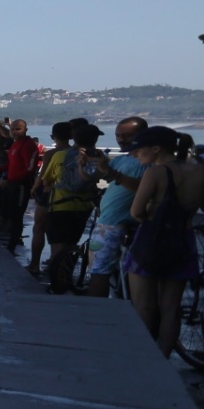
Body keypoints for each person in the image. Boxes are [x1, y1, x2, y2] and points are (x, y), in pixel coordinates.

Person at [125, 126, 204, 356]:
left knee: (144, 306)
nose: (136, 154)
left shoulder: (155, 173)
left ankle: (143, 357)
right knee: (171, 308)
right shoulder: (199, 172)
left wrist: (153, 211)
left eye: (139, 150)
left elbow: (136, 212)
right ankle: (162, 358)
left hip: (150, 242)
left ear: (156, 149)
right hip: (184, 242)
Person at [38, 119, 106, 294]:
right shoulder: (98, 158)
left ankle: (56, 284)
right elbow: (106, 176)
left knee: (57, 249)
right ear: (95, 140)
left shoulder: (60, 156)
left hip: (60, 206)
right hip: (83, 208)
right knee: (71, 246)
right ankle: (66, 280)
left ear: (74, 138)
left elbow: (47, 180)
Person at [85, 116, 148, 297]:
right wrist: (88, 165)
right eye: (118, 135)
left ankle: (95, 313)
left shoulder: (147, 163)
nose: (121, 140)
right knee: (106, 270)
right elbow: (98, 176)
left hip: (113, 223)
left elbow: (141, 187)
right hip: (109, 220)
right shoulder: (123, 159)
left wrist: (110, 171)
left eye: (128, 135)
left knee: (99, 270)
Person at [27, 120, 71, 277]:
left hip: (49, 193)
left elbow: (43, 175)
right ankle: (56, 265)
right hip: (69, 198)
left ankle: (34, 264)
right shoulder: (75, 152)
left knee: (39, 228)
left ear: (53, 136)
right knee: (61, 235)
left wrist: (33, 188)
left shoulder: (51, 154)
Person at [0, 119, 41, 252]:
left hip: (21, 185)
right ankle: (10, 240)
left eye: (18, 129)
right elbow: (11, 164)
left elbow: (30, 169)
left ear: (25, 130)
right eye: (12, 129)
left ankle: (12, 245)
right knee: (9, 213)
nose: (14, 132)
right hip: (12, 184)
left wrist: (12, 180)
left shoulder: (28, 145)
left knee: (17, 215)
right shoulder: (15, 144)